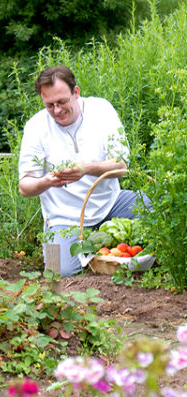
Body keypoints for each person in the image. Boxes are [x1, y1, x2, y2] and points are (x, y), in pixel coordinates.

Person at [18, 65, 148, 277]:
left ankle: (100, 249)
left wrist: (87, 169)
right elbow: (25, 186)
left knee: (155, 215)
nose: (57, 110)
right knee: (56, 275)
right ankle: (90, 251)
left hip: (111, 204)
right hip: (63, 220)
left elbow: (122, 165)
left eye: (62, 102)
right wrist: (48, 181)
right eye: (49, 105)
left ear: (76, 92)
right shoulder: (35, 127)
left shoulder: (101, 110)